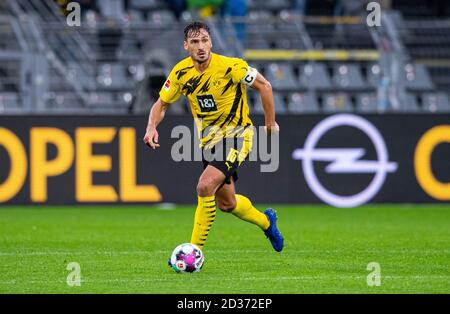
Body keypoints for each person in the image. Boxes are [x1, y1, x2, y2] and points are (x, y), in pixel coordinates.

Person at [143, 21, 284, 260]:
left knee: (204, 185)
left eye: (205, 40)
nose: (201, 46)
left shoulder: (231, 67)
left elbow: (265, 86)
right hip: (209, 143)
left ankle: (192, 252)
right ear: (186, 45)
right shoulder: (180, 73)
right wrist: (151, 126)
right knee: (227, 204)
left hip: (238, 135)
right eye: (195, 42)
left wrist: (270, 124)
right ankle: (266, 222)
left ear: (211, 42)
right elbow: (162, 103)